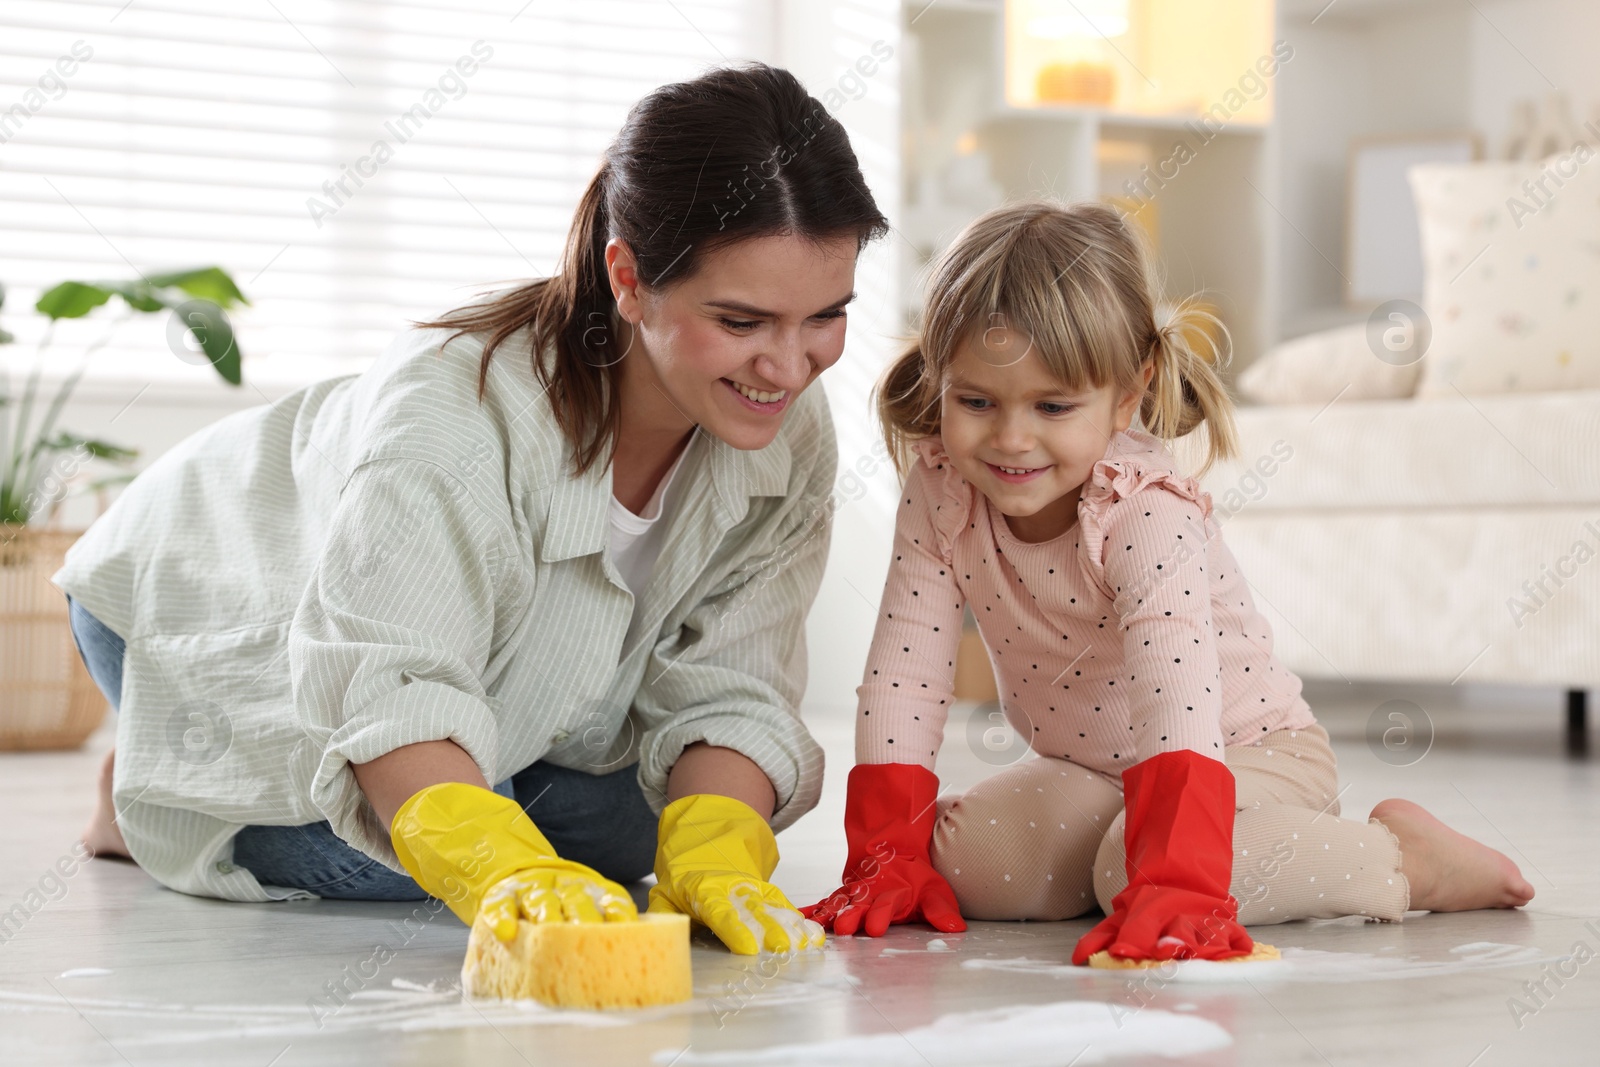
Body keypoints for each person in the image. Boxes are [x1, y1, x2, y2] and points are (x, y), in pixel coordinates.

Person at [57, 62, 889, 956]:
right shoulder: (457, 419)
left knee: (631, 833)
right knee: (392, 849)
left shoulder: (787, 432)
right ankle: (158, 783)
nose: (790, 367)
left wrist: (719, 850)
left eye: (824, 318)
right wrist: (506, 872)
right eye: (742, 322)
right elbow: (387, 684)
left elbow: (733, 683)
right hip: (204, 588)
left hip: (491, 670)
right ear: (631, 277)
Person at [802, 200, 1535, 962]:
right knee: (967, 861)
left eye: (1053, 406)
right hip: (1089, 771)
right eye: (976, 401)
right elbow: (905, 672)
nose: (1011, 438)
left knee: (1135, 862)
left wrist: (1176, 876)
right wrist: (888, 849)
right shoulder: (942, 485)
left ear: (1128, 391)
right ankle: (1122, 863)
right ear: (940, 380)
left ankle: (1403, 858)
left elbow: (1174, 693)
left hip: (1243, 756)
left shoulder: (1141, 511)